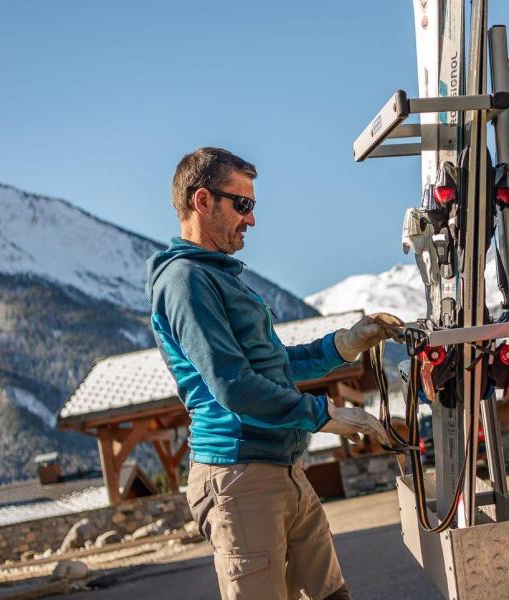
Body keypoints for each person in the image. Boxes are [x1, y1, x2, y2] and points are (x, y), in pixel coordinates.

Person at [146, 147, 403, 600]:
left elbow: (273, 365)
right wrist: (324, 415)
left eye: (253, 205)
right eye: (242, 204)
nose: (251, 220)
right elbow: (234, 386)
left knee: (331, 593)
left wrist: (344, 344)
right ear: (202, 201)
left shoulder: (218, 277)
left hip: (281, 468)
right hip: (239, 475)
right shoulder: (185, 281)